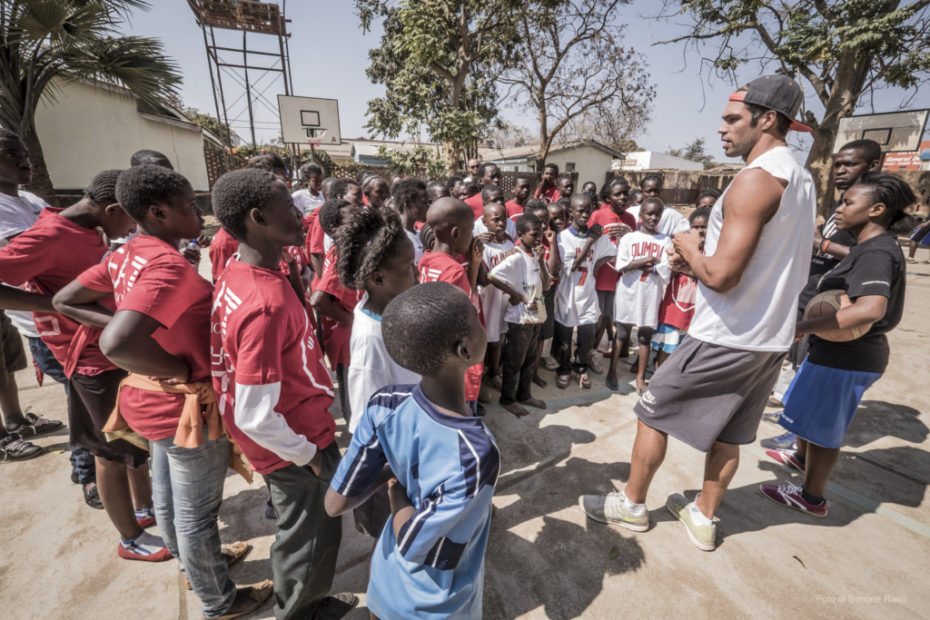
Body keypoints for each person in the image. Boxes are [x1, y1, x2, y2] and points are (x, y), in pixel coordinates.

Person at [580, 74, 817, 551]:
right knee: (729, 432)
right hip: (769, 337)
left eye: (732, 119)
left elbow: (723, 276)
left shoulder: (755, 180)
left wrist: (689, 245)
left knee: (651, 411)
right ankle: (703, 516)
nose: (721, 129)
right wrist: (694, 254)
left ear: (766, 119)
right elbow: (761, 259)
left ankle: (631, 505)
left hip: (726, 332)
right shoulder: (801, 177)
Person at [57, 166, 265, 616]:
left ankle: (195, 569)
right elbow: (117, 342)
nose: (199, 211)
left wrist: (143, 349)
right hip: (181, 405)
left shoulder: (125, 253)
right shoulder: (166, 267)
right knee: (196, 511)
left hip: (148, 398)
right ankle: (219, 601)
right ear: (157, 211)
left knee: (168, 494)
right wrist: (180, 367)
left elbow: (67, 300)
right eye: (190, 205)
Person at [210, 168, 357, 620]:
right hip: (295, 440)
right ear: (257, 217)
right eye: (287, 207)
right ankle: (300, 611)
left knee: (306, 531)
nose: (300, 213)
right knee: (310, 536)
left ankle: (305, 601)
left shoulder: (243, 271)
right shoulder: (264, 303)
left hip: (294, 430)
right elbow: (256, 412)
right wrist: (307, 455)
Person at [324, 281, 499, 620]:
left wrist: (391, 470)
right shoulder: (476, 454)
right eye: (477, 320)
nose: (482, 324)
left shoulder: (385, 406)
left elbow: (334, 504)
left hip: (385, 588)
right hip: (436, 606)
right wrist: (397, 498)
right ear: (464, 350)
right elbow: (417, 544)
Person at [761, 173, 914, 517]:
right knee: (805, 413)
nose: (839, 208)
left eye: (848, 202)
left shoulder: (877, 251)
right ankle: (801, 460)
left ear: (876, 209)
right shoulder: (866, 247)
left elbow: (871, 308)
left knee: (824, 428)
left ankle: (811, 498)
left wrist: (804, 325)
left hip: (849, 357)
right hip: (832, 351)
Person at [0, 170, 129, 511]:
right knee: (100, 431)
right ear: (112, 209)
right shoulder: (50, 235)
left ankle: (108, 478)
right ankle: (91, 479)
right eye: (133, 219)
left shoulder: (89, 226)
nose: (133, 229)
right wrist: (56, 304)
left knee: (108, 427)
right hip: (76, 349)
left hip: (102, 345)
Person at [765, 139, 882, 447]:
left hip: (833, 302)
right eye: (838, 164)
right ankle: (792, 416)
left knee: (811, 361)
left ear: (873, 166)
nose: (840, 170)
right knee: (799, 358)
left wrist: (822, 244)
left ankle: (798, 434)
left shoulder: (871, 210)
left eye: (850, 164)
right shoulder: (843, 202)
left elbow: (865, 254)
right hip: (812, 291)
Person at [337, 208, 419, 539]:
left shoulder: (387, 306)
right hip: (390, 463)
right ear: (379, 278)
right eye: (408, 268)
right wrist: (385, 475)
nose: (417, 272)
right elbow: (363, 422)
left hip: (408, 448)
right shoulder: (372, 340)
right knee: (390, 539)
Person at [0, 129, 62, 460]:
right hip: (33, 310)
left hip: (28, 311)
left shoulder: (31, 199)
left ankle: (14, 422)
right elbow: (34, 252)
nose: (25, 158)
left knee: (6, 364)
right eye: (11, 153)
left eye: (23, 151)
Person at [418, 197, 485, 413]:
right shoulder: (454, 271)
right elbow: (461, 320)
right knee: (462, 416)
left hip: (433, 357)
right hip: (457, 364)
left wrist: (473, 266)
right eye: (471, 229)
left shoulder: (426, 260)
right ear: (456, 233)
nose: (473, 235)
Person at [606, 198, 673, 394]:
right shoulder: (630, 238)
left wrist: (650, 267)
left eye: (656, 214)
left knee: (645, 336)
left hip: (650, 294)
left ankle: (640, 376)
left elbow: (666, 267)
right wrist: (646, 260)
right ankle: (612, 371)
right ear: (640, 216)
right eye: (649, 214)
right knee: (622, 333)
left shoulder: (665, 240)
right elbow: (622, 266)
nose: (653, 218)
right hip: (628, 291)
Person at [489, 213, 551, 417]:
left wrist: (542, 262)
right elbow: (492, 275)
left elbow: (547, 285)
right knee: (514, 361)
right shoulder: (516, 257)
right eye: (534, 234)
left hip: (536, 317)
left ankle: (525, 395)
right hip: (520, 319)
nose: (539, 238)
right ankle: (508, 399)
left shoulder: (536, 256)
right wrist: (514, 294)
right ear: (521, 234)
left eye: (541, 233)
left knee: (530, 360)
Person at [551, 193, 614, 389]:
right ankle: (564, 369)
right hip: (568, 295)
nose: (585, 215)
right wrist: (589, 242)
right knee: (565, 338)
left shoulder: (598, 236)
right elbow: (571, 267)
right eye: (581, 211)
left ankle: (581, 368)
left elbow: (611, 252)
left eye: (588, 210)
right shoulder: (563, 238)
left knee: (587, 337)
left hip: (587, 294)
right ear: (571, 213)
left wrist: (596, 265)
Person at [310, 199, 363, 422]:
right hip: (349, 337)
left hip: (355, 336)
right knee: (355, 401)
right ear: (334, 229)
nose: (359, 217)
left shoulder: (353, 248)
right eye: (353, 216)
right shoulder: (341, 253)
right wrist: (353, 320)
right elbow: (318, 300)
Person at [650, 205, 711, 368]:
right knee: (666, 348)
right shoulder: (680, 248)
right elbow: (671, 270)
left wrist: (687, 268)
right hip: (674, 307)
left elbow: (708, 276)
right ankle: (659, 380)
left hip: (695, 310)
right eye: (695, 227)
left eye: (704, 227)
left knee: (686, 353)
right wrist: (689, 267)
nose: (700, 231)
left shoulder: (712, 252)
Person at [589, 177, 636, 362]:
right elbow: (589, 243)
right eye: (618, 194)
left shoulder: (631, 219)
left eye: (625, 193)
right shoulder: (598, 215)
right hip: (601, 276)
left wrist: (629, 235)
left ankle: (609, 352)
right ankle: (588, 354)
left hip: (622, 278)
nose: (623, 197)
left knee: (613, 318)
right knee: (598, 319)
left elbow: (636, 246)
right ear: (608, 197)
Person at [475, 202, 515, 399]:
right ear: (484, 221)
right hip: (487, 301)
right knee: (483, 342)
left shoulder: (510, 244)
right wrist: (506, 260)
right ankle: (479, 381)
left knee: (498, 339)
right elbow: (483, 278)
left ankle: (493, 374)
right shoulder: (481, 246)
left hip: (504, 301)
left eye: (503, 219)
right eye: (495, 219)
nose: (500, 224)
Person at [393, 178, 429, 264]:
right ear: (406, 202)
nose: (428, 207)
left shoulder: (421, 235)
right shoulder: (396, 237)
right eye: (424, 203)